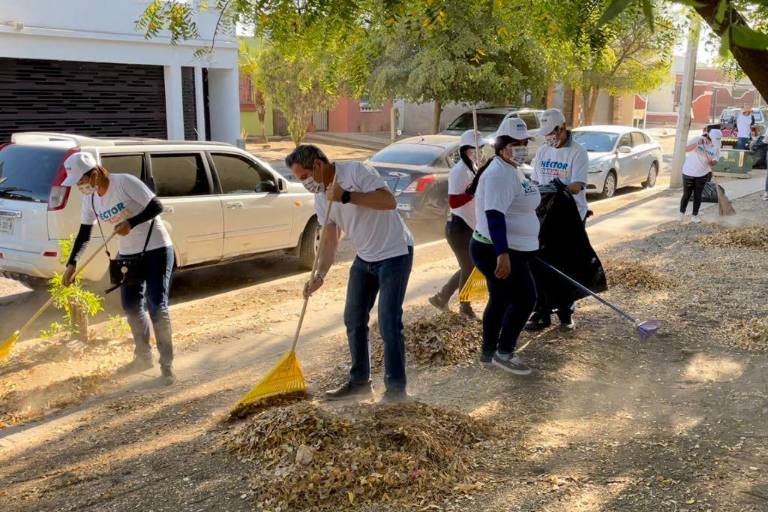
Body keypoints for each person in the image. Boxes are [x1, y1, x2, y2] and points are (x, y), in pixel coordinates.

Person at [287, 145, 414, 402]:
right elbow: (331, 240)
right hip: (365, 258)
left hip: (395, 253)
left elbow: (389, 201)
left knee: (389, 323)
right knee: (353, 319)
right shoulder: (322, 199)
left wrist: (346, 196)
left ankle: (396, 390)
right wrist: (319, 274)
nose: (305, 185)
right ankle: (359, 382)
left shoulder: (356, 172)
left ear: (318, 166)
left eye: (304, 177)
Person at [61, 152, 176, 385]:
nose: (80, 186)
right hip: (128, 254)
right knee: (131, 306)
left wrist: (131, 222)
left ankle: (167, 365)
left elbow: (157, 205)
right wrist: (72, 263)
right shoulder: (91, 199)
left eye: (82, 180)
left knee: (156, 306)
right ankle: (143, 357)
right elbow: (85, 233)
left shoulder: (124, 183)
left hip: (156, 250)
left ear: (95, 173)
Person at [469, 117, 540, 375]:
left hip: (507, 248)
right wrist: (503, 253)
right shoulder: (499, 173)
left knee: (499, 298)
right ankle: (504, 352)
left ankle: (488, 352)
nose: (522, 147)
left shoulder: (510, 167)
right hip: (496, 249)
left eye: (525, 143)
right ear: (502, 146)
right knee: (525, 298)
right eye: (516, 143)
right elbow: (495, 215)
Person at [526, 108, 589, 332]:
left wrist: (558, 188)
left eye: (551, 133)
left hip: (570, 216)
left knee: (565, 264)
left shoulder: (577, 152)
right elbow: (535, 180)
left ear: (562, 128)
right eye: (545, 135)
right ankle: (541, 311)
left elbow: (578, 185)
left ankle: (566, 312)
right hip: (544, 215)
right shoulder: (543, 151)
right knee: (540, 264)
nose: (549, 138)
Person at [429, 129, 480, 319]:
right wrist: (471, 192)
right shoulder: (459, 171)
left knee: (469, 265)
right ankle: (465, 308)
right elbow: (453, 201)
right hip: (458, 227)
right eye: (475, 148)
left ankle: (441, 297)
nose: (478, 151)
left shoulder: (473, 167)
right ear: (465, 149)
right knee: (470, 267)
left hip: (469, 225)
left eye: (480, 148)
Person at [679, 129, 722, 224]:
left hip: (702, 174)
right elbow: (686, 149)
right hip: (688, 172)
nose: (713, 144)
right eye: (712, 141)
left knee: (698, 195)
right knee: (687, 194)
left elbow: (716, 160)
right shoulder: (697, 139)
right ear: (709, 137)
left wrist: (712, 162)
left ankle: (695, 215)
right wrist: (697, 144)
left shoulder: (716, 147)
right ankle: (681, 213)